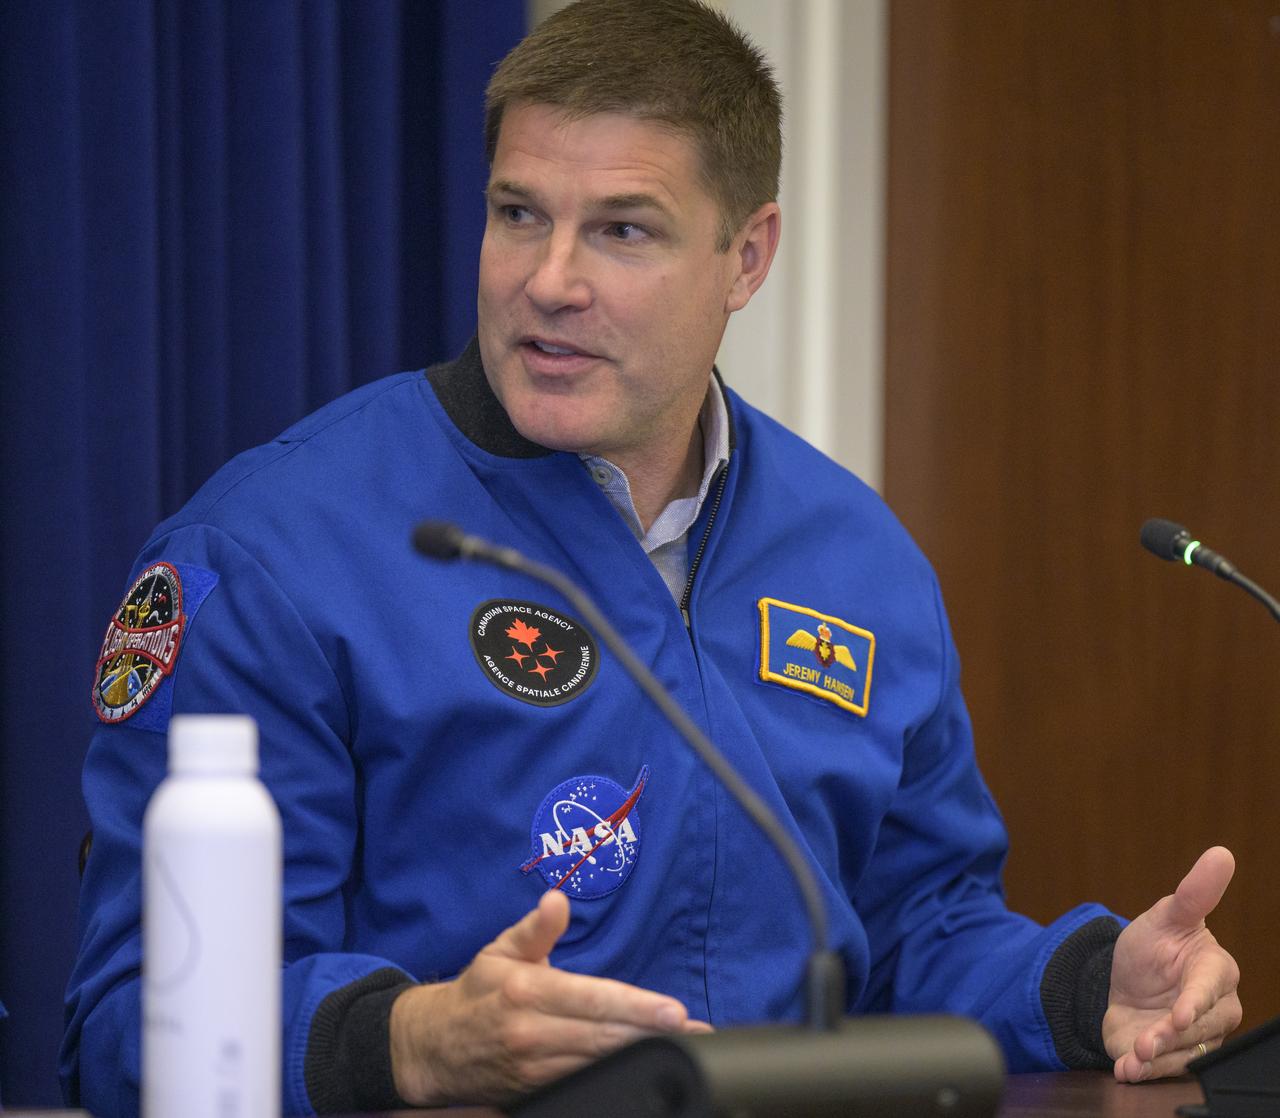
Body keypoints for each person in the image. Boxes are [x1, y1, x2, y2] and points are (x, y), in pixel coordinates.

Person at [62, 1, 1242, 1114]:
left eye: (620, 230)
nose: (548, 281)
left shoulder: (856, 558)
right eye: (518, 213)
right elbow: (132, 1020)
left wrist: (1085, 989)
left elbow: (917, 928)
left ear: (746, 257)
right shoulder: (275, 550)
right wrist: (412, 1040)